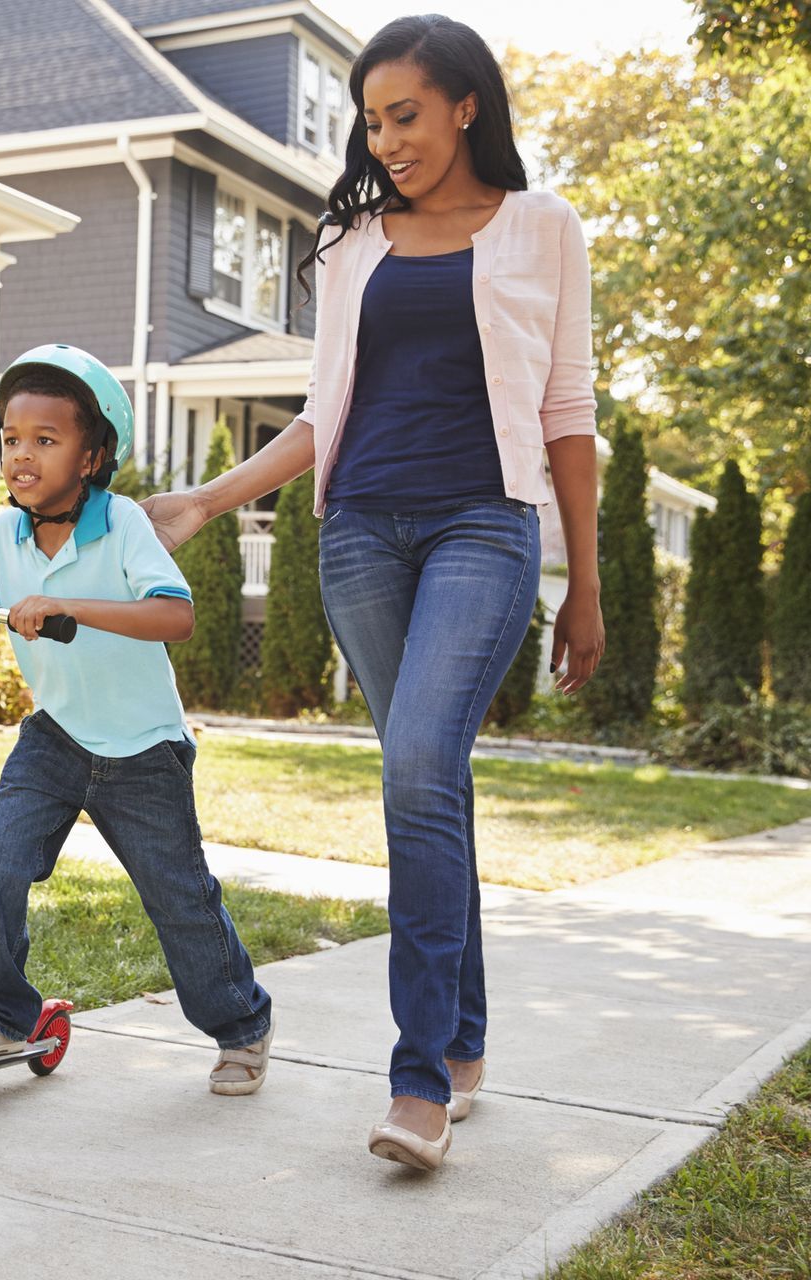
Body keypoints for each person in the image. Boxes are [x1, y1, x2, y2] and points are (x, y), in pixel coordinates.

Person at [142, 15, 605, 1168]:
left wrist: (586, 583)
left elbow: (568, 412)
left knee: (415, 771)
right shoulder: (352, 236)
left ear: (466, 106)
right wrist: (206, 499)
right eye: (371, 121)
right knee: (429, 782)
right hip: (357, 534)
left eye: (406, 115)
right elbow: (319, 411)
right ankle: (466, 1044)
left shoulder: (544, 227)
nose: (385, 140)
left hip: (482, 527)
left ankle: (417, 1082)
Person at [0, 343, 276, 1095]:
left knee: (177, 896)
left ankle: (241, 1025)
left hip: (144, 750)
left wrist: (69, 606)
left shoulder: (125, 523)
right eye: (12, 439)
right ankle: (2, 1010)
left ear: (92, 454)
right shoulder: (4, 535)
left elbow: (175, 617)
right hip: (57, 736)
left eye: (46, 440)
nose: (22, 456)